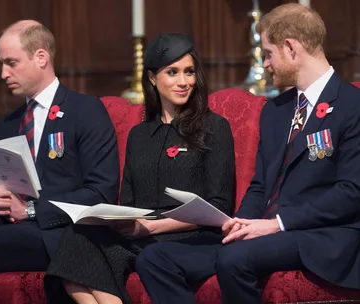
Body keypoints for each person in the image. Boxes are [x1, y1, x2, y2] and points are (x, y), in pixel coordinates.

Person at [135, 3, 360, 304]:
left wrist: (277, 224)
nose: (265, 64)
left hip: (320, 235)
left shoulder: (351, 105)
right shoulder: (276, 110)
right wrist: (241, 222)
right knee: (155, 258)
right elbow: (260, 185)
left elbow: (350, 193)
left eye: (268, 53)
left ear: (291, 48)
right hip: (266, 232)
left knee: (235, 259)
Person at [43, 33, 235, 304]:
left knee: (95, 257)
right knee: (76, 240)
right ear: (153, 79)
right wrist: (114, 219)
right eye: (173, 72)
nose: (184, 82)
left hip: (192, 236)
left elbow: (220, 205)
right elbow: (130, 202)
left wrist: (154, 227)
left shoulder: (215, 127)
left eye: (189, 72)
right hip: (140, 235)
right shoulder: (139, 135)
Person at [0, 20, 119, 277]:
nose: (2, 74)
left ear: (41, 57)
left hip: (62, 234)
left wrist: (31, 210)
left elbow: (102, 191)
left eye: (11, 63)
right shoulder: (6, 125)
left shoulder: (86, 111)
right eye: (1, 64)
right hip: (10, 228)